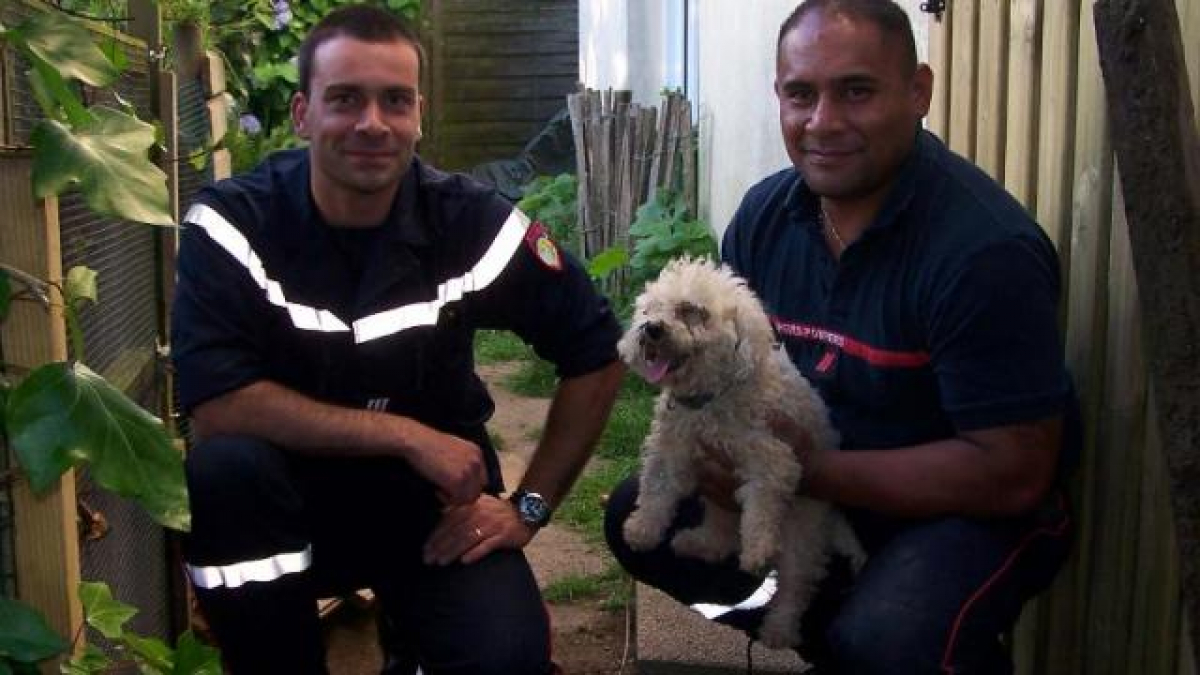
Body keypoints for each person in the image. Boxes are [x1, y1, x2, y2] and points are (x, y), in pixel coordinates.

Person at [605, 1, 1079, 672]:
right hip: (818, 484)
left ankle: (891, 640)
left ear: (919, 91)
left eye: (856, 91)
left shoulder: (983, 251)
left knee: (889, 637)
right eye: (801, 94)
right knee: (638, 517)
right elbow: (732, 382)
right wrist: (721, 457)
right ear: (780, 96)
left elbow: (1014, 472)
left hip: (966, 508)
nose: (823, 122)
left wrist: (808, 471)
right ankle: (833, 634)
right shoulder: (765, 218)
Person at [170, 5, 624, 674]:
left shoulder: (472, 222)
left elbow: (596, 351)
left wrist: (529, 506)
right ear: (302, 113)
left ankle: (411, 643)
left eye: (394, 101)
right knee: (222, 471)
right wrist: (406, 434)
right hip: (283, 506)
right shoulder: (233, 224)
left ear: (420, 113)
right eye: (345, 99)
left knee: (505, 660)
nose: (372, 124)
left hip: (432, 509)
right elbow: (217, 401)